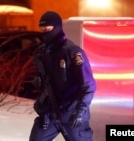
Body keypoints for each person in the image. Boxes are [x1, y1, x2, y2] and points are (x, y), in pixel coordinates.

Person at [29, 11, 96, 141]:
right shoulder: (42, 53)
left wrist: (80, 111)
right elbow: (45, 84)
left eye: (48, 29)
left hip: (72, 115)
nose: (45, 32)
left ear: (58, 28)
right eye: (42, 29)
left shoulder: (72, 52)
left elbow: (88, 85)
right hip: (50, 114)